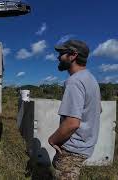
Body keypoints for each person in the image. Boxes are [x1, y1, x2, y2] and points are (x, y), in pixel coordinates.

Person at [48, 40, 101, 179]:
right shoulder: (92, 80)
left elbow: (72, 123)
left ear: (73, 56)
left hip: (72, 150)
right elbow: (97, 110)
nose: (58, 57)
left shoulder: (74, 81)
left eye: (61, 53)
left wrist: (52, 140)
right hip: (85, 147)